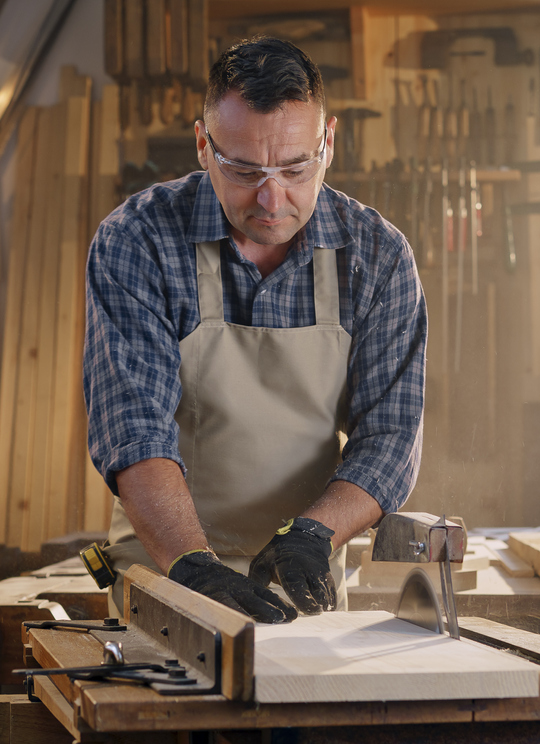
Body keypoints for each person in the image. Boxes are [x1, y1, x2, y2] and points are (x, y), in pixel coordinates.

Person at [83, 36, 426, 623]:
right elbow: (134, 427)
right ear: (203, 145)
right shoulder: (138, 241)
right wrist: (192, 563)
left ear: (329, 143)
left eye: (296, 168)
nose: (272, 198)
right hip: (168, 577)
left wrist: (314, 534)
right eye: (243, 169)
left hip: (302, 581)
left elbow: (390, 438)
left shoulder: (378, 257)